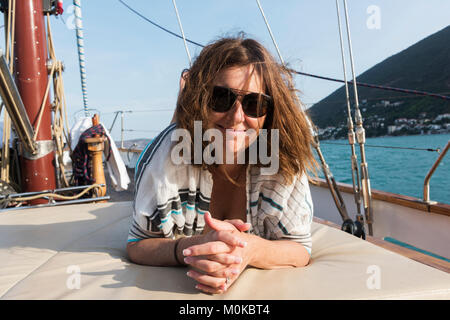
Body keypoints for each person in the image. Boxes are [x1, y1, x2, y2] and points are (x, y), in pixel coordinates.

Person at [127, 35, 317, 294]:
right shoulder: (167, 158)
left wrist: (247, 249)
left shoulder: (282, 162)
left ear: (269, 112)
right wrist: (190, 249)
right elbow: (138, 242)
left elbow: (300, 248)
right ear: (200, 99)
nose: (237, 117)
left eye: (254, 104)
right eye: (221, 98)